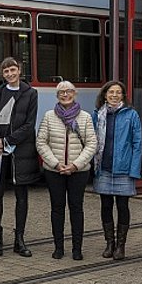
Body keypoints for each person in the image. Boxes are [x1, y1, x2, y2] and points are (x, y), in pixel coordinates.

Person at [0, 57, 41, 257]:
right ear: (2, 74)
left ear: (19, 70)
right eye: (6, 71)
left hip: (20, 153)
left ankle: (19, 239)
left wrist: (8, 140)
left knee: (21, 197)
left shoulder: (31, 93)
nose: (10, 74)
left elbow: (29, 125)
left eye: (13, 70)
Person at [36, 81, 97, 260]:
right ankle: (59, 247)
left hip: (78, 171)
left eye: (69, 92)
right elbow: (41, 142)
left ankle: (77, 249)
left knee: (76, 208)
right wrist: (55, 164)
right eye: (61, 92)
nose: (65, 95)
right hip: (54, 171)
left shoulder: (85, 117)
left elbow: (92, 144)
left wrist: (75, 164)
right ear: (57, 96)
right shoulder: (49, 116)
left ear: (75, 94)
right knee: (57, 208)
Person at [90, 81, 142, 260]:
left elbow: (138, 144)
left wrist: (134, 170)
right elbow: (91, 140)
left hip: (124, 168)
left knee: (122, 206)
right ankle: (109, 243)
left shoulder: (132, 114)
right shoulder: (97, 115)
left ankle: (121, 246)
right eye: (111, 92)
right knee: (105, 205)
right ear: (105, 95)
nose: (114, 95)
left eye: (118, 93)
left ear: (123, 96)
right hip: (103, 167)